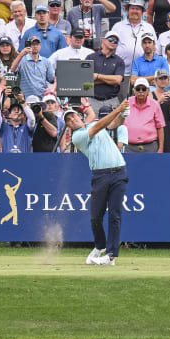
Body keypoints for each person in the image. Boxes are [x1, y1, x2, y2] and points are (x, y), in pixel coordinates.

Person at [65, 100, 128, 266]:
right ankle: (100, 245)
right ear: (69, 127)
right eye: (68, 120)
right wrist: (118, 109)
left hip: (119, 172)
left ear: (79, 116)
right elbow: (100, 125)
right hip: (100, 176)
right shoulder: (77, 137)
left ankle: (111, 255)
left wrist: (123, 115)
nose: (72, 120)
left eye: (73, 116)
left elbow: (113, 124)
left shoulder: (93, 123)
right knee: (95, 217)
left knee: (115, 215)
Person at [88, 31, 125, 110]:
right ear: (103, 40)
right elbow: (86, 81)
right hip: (92, 100)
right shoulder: (91, 57)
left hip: (112, 100)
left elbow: (117, 80)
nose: (113, 42)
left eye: (115, 41)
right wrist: (110, 80)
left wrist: (97, 76)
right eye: (110, 39)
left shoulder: (119, 61)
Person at [126, 77, 165, 153]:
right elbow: (120, 124)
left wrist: (161, 148)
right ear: (134, 90)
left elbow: (160, 127)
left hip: (150, 146)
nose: (141, 91)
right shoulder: (127, 103)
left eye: (143, 89)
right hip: (129, 147)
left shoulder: (155, 104)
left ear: (148, 91)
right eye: (138, 89)